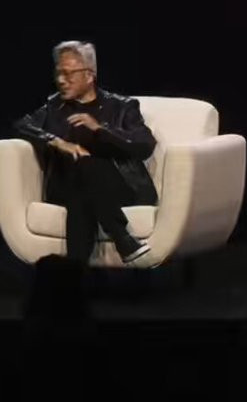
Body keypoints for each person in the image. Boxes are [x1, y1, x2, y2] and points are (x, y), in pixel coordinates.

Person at [13, 40, 158, 267]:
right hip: (65, 185)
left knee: (84, 176)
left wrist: (100, 129)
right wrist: (58, 142)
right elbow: (22, 126)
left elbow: (145, 144)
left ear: (89, 75)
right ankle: (122, 238)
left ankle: (74, 273)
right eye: (58, 73)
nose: (61, 80)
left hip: (118, 186)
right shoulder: (55, 106)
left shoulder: (121, 106)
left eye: (69, 74)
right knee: (82, 170)